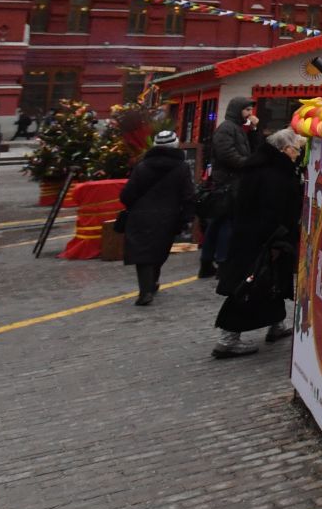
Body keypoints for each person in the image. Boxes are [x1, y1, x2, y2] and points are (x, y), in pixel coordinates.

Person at [212, 127, 303, 358]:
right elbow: (274, 211)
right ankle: (228, 338)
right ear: (284, 149)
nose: (298, 154)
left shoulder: (259, 168)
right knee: (250, 285)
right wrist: (276, 239)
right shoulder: (274, 175)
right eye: (296, 149)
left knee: (272, 284)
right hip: (264, 240)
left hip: (253, 237)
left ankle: (277, 325)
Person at [120, 129, 195, 307]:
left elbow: (127, 195)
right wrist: (187, 217)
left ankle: (146, 289)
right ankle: (151, 283)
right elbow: (188, 195)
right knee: (159, 251)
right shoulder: (182, 167)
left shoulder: (142, 166)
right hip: (168, 216)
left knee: (142, 253)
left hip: (141, 215)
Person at [199, 97, 259, 280]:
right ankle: (222, 261)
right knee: (226, 223)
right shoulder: (227, 128)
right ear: (237, 110)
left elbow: (252, 149)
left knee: (218, 223)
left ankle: (208, 261)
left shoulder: (238, 129)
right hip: (227, 184)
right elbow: (227, 154)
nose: (250, 114)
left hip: (232, 182)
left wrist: (254, 130)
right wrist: (247, 164)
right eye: (247, 110)